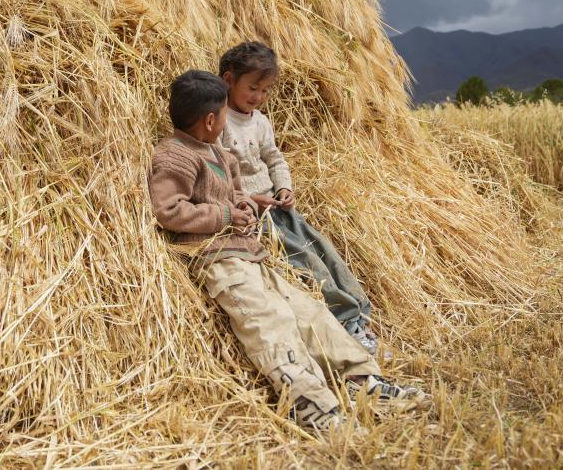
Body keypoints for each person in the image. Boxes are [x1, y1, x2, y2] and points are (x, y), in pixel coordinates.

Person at [147, 70, 426, 431]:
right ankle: (309, 402)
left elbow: (233, 195)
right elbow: (168, 210)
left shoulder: (219, 153)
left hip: (249, 253)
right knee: (268, 320)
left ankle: (362, 383)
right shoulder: (175, 156)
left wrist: (245, 205)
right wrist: (226, 214)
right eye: (224, 116)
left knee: (309, 314)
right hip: (218, 260)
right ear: (212, 119)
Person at [217, 41, 380, 353]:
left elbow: (274, 159)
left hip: (278, 207)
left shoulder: (260, 122)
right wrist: (251, 199)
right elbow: (221, 173)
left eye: (265, 91)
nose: (258, 97)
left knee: (323, 250)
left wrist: (284, 188)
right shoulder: (220, 121)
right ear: (228, 80)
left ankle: (359, 311)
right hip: (256, 215)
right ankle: (345, 323)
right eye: (253, 88)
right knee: (306, 263)